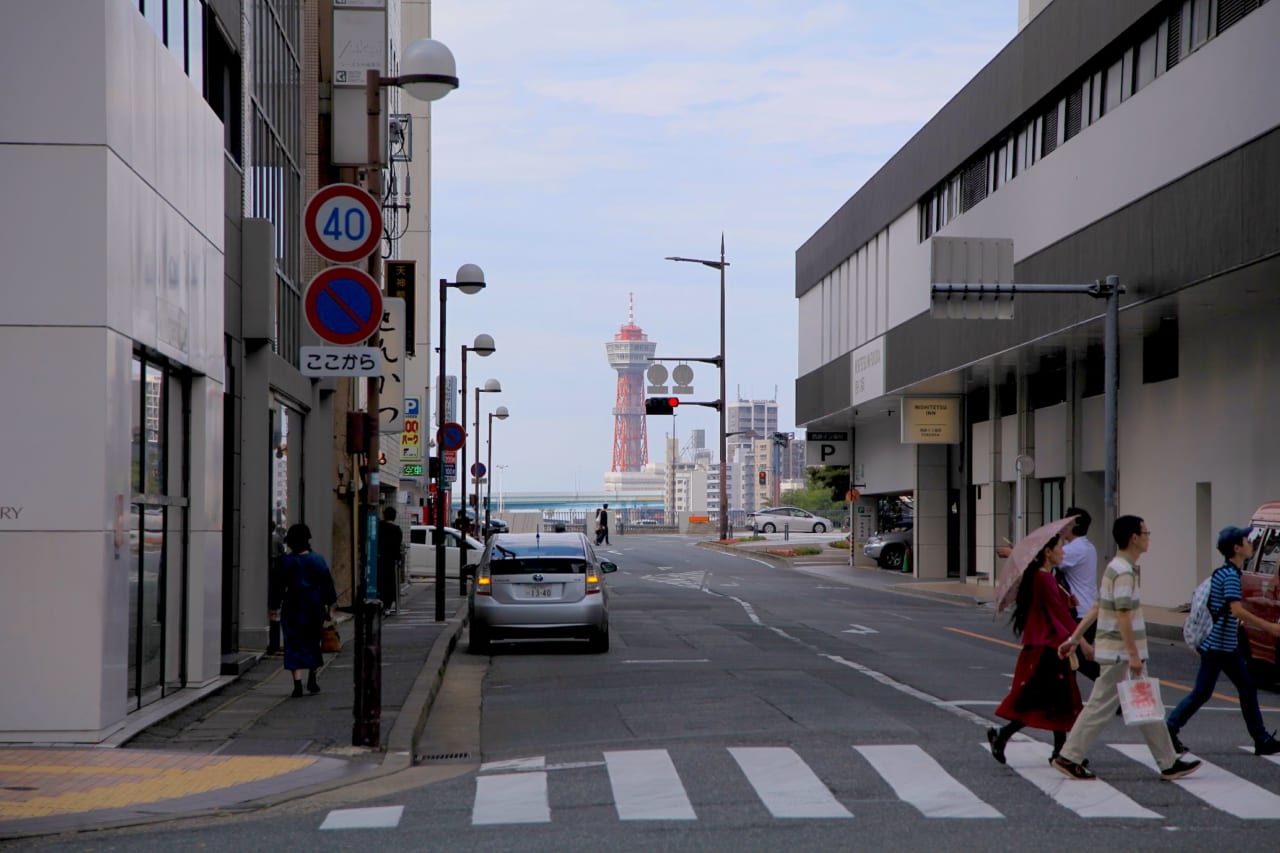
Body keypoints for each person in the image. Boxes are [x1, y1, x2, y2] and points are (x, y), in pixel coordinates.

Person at [1052, 515, 1201, 781]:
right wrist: (1133, 655)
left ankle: (1168, 762)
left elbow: (1098, 607)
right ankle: (1069, 756)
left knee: (1146, 705)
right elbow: (1122, 613)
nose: (1148, 537)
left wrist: (1074, 638)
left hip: (1118, 653)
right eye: (1145, 532)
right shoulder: (1123, 572)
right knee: (1102, 706)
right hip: (1121, 655)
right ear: (1134, 537)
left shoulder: (1116, 568)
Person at [1165, 526, 1280, 756]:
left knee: (1243, 688)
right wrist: (1269, 627)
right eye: (1247, 541)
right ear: (1237, 548)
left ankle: (1261, 738)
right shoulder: (1230, 576)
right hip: (1218, 647)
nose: (1251, 544)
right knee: (1205, 692)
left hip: (1222, 646)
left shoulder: (1226, 573)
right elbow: (1236, 610)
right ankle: (1169, 730)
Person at [987, 535, 1088, 765]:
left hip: (1047, 646)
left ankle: (1059, 751)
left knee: (1056, 700)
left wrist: (1066, 602)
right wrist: (1080, 641)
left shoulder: (1045, 578)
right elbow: (1057, 615)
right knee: (1043, 699)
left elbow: (1054, 609)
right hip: (1047, 649)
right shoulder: (1044, 579)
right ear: (1047, 553)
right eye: (1060, 548)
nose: (1063, 552)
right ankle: (1005, 737)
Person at [277, 523, 337, 698]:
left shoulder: (285, 562)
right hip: (313, 603)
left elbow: (277, 586)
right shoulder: (317, 560)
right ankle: (312, 677)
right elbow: (328, 586)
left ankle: (297, 684)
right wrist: (330, 607)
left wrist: (274, 607)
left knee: (293, 642)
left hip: (292, 603)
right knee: (313, 641)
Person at [1057, 508, 1100, 681]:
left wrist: (1012, 552)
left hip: (1079, 613)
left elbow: (1048, 559)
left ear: (1072, 525)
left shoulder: (1074, 550)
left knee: (1078, 659)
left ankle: (1114, 695)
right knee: (1072, 660)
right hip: (1088, 611)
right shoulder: (1088, 547)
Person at [377, 507, 403, 615]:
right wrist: (399, 559)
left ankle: (380, 603)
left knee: (380, 582)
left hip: (379, 559)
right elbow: (398, 547)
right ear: (394, 517)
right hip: (391, 561)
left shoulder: (379, 526)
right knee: (390, 583)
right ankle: (387, 606)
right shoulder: (397, 530)